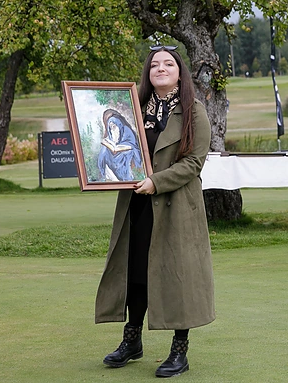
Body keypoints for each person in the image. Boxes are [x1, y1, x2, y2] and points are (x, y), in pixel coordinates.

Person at [96, 46, 214, 378]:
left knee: (178, 277)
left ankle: (180, 351)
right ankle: (131, 341)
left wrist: (156, 181)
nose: (160, 68)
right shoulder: (131, 111)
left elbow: (193, 163)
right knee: (135, 271)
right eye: (154, 64)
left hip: (176, 207)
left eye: (168, 63)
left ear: (180, 71)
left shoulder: (194, 112)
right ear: (148, 73)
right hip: (137, 205)